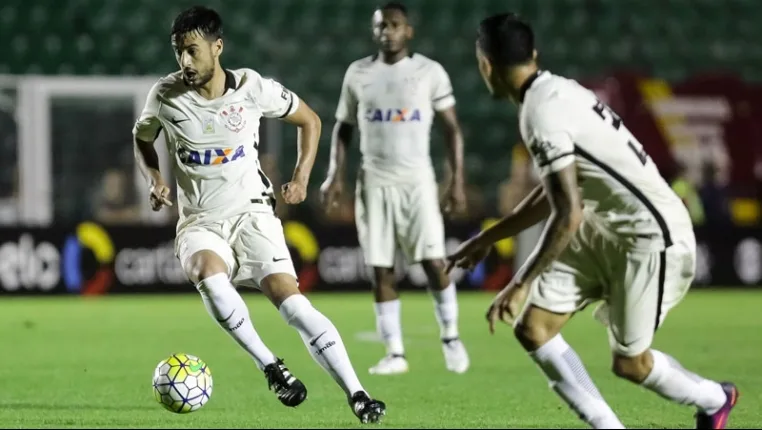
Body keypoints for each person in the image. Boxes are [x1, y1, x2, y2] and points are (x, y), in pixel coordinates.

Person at [446, 13, 738, 429]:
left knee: (630, 364)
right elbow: (559, 193)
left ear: (485, 65)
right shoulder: (560, 91)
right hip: (607, 227)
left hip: (651, 237)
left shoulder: (540, 114)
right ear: (533, 53)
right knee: (534, 328)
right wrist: (491, 236)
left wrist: (520, 282)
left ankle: (714, 398)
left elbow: (567, 212)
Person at [131, 6, 385, 423]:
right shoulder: (165, 95)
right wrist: (154, 177)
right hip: (201, 221)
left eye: (193, 51)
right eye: (178, 52)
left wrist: (302, 177)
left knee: (294, 307)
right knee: (208, 276)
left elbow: (310, 121)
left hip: (253, 215)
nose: (185, 62)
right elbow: (142, 138)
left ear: (217, 47)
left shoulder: (252, 87)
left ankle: (358, 393)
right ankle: (271, 365)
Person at [320, 1, 469, 376]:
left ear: (409, 31)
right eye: (381, 25)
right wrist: (335, 174)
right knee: (380, 269)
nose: (387, 31)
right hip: (374, 181)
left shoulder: (429, 72)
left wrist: (457, 181)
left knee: (434, 263)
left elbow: (452, 128)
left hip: (417, 181)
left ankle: (451, 336)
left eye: (394, 24)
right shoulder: (358, 73)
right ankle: (395, 353)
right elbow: (343, 128)